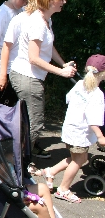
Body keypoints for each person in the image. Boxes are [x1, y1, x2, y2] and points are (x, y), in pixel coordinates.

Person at [9, 0, 77, 158]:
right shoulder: (38, 23)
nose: (64, 2)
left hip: (31, 76)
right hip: (27, 77)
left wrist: (63, 64)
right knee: (34, 124)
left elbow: (49, 46)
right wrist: (61, 72)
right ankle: (18, 164)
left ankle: (18, 161)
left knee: (30, 123)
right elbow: (34, 58)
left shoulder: (46, 20)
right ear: (49, 0)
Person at [33, 55, 105, 203]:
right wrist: (100, 136)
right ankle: (63, 189)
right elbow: (93, 119)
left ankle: (50, 171)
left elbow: (68, 98)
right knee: (78, 161)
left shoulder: (79, 84)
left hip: (70, 128)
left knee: (78, 158)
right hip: (80, 133)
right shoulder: (97, 94)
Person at [0, 0, 40, 93]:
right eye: (23, 1)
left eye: (26, 2)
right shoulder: (2, 13)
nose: (24, 4)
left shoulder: (24, 12)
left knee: (2, 97)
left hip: (17, 64)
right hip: (4, 62)